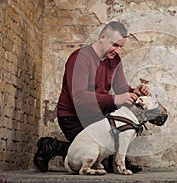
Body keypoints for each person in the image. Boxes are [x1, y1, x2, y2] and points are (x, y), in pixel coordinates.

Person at [34, 21, 149, 173]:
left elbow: (121, 89)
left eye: (121, 46)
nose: (118, 50)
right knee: (93, 153)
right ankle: (50, 146)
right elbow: (79, 98)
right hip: (73, 116)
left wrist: (135, 90)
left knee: (126, 104)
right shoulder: (80, 59)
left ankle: (118, 159)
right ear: (102, 37)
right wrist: (115, 99)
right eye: (115, 45)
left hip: (97, 115)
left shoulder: (113, 60)